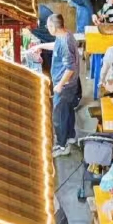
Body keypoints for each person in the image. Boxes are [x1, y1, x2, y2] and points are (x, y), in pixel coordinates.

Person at [46, 13, 81, 157]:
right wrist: (40, 46)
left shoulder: (65, 43)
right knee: (68, 111)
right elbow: (56, 48)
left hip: (65, 86)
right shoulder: (65, 35)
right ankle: (70, 136)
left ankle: (62, 146)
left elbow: (70, 68)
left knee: (58, 116)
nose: (47, 28)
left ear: (53, 27)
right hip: (70, 85)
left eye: (48, 26)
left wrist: (59, 85)